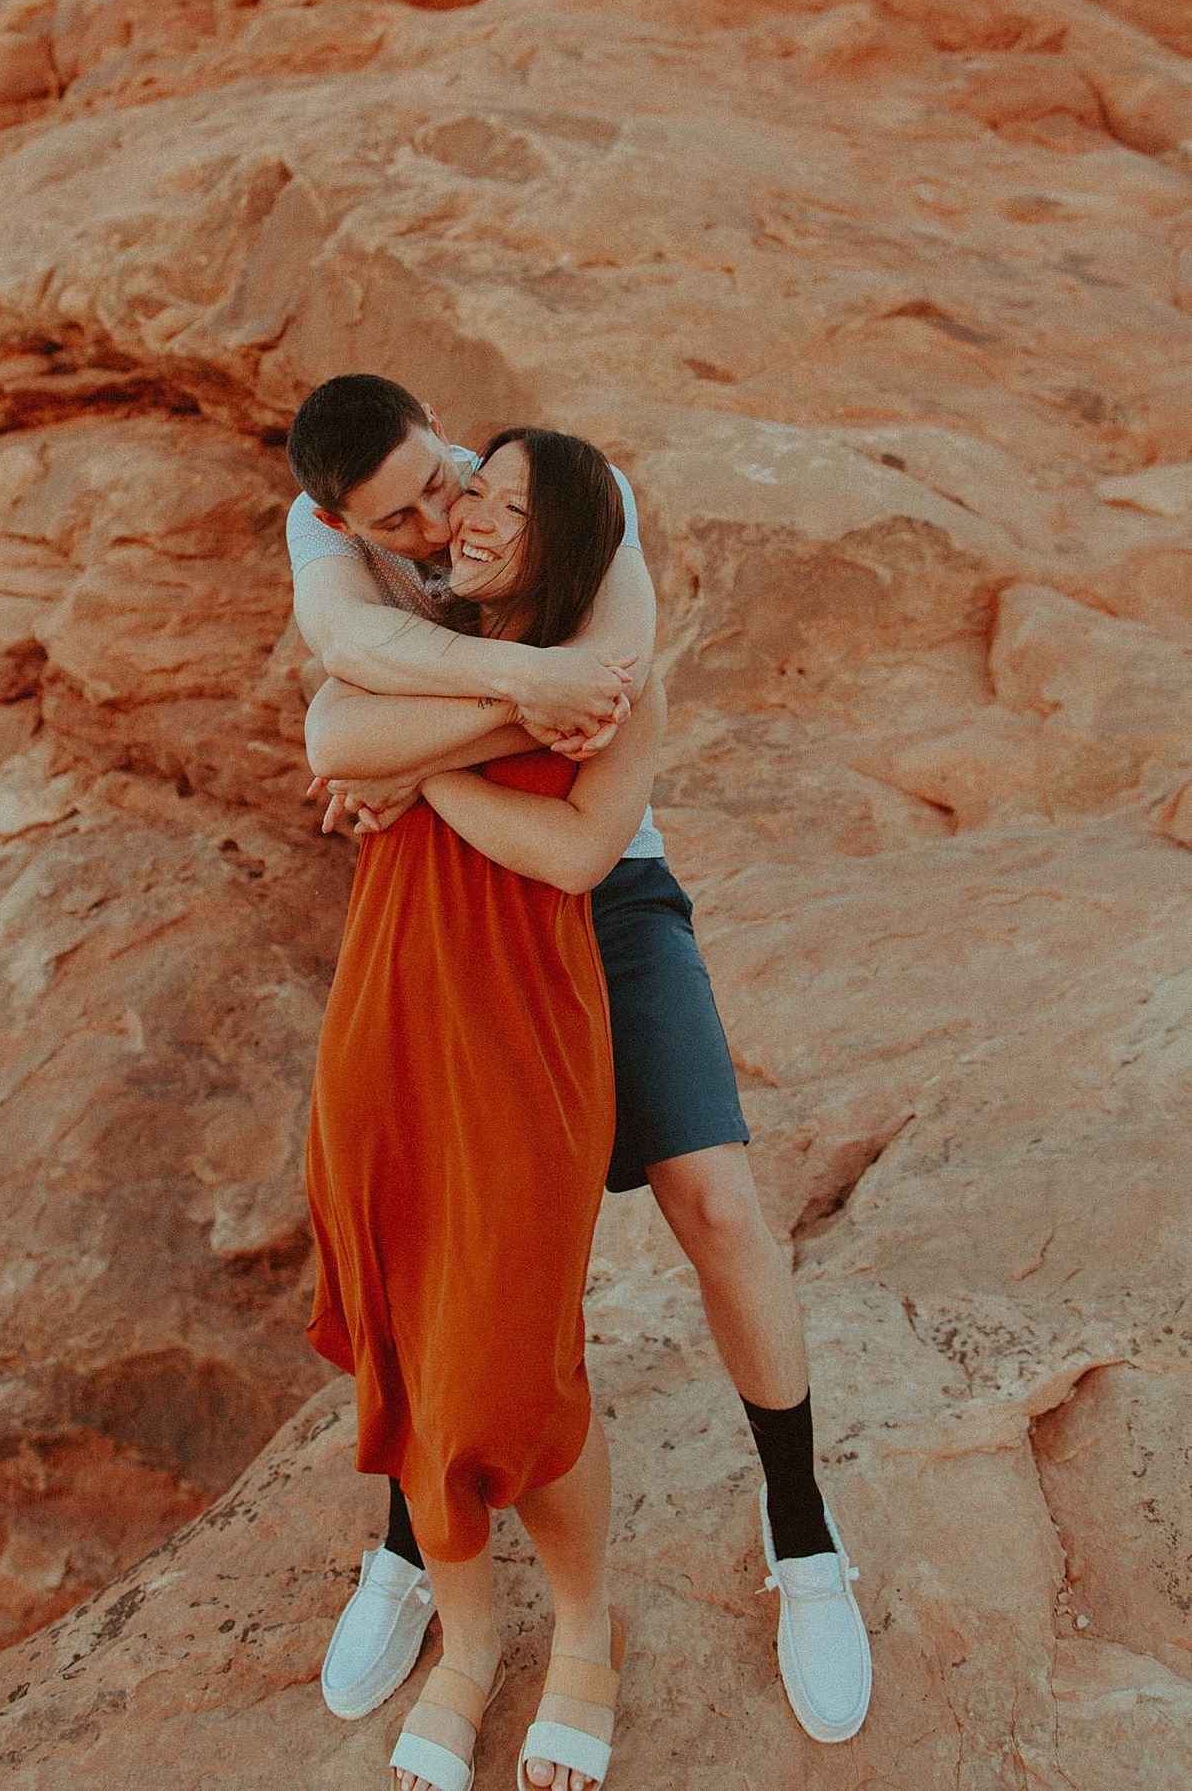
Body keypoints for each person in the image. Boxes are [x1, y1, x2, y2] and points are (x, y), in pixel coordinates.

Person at [288, 376, 871, 1750]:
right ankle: (413, 1535)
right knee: (451, 1237)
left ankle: (804, 1534)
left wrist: (423, 752)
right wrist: (519, 698)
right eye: (418, 510)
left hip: (605, 905)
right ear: (338, 514)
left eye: (462, 487)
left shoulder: (562, 508)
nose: (445, 521)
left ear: (454, 430)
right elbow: (334, 714)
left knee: (717, 1202)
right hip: (457, 910)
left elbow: (613, 691)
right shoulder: (351, 554)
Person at [307, 428, 661, 1791]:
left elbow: (576, 852)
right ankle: (467, 1642)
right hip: (386, 1021)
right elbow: (335, 734)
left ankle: (585, 1627)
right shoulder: (420, 639)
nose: (476, 520)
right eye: (476, 495)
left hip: (523, 1033)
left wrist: (427, 776)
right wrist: (499, 719)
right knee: (408, 1344)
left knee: (517, 1350)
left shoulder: (622, 675)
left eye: (514, 505)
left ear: (566, 528)